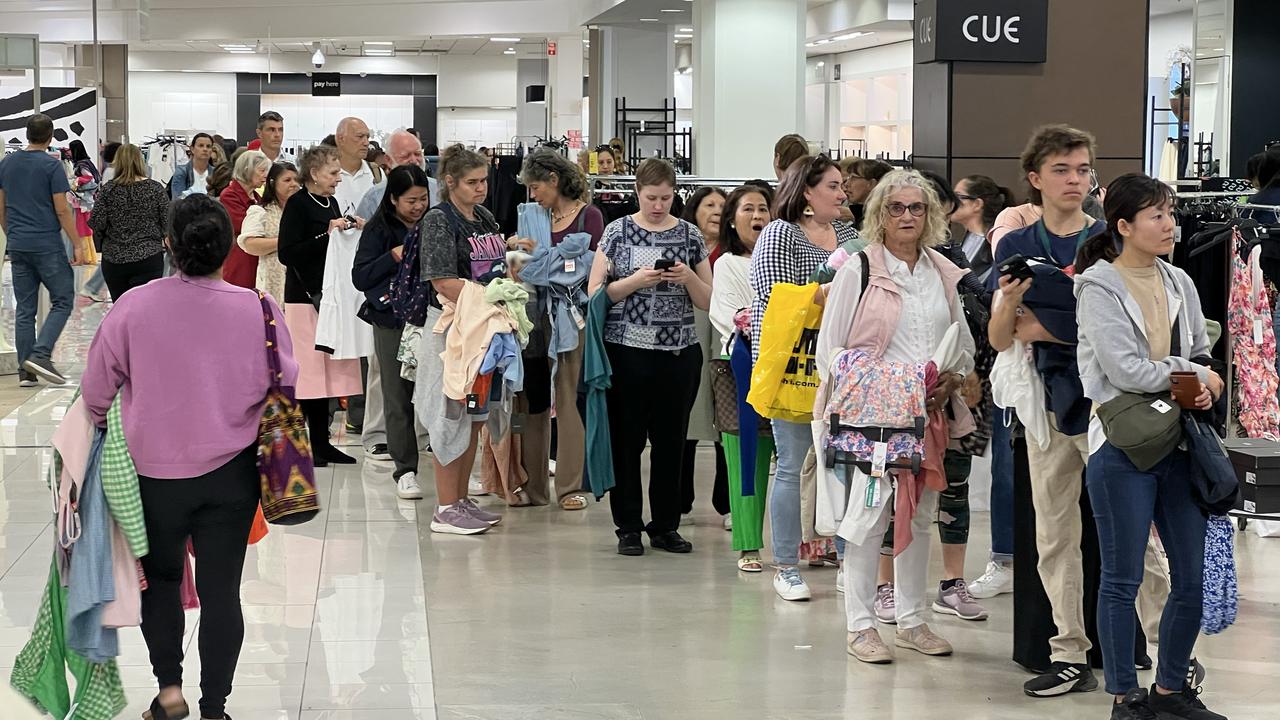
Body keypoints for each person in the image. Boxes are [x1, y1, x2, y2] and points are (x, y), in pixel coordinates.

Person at [81, 192, 298, 720]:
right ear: (228, 248)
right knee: (222, 591)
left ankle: (169, 692)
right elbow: (286, 384)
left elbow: (94, 396)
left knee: (160, 582)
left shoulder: (134, 305)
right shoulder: (259, 309)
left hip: (152, 477)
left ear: (169, 245)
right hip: (232, 474)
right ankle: (215, 707)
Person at [990, 125, 1166, 696]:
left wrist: (1045, 326)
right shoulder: (1016, 246)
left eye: (1084, 169)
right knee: (1055, 533)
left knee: (1137, 534)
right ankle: (1070, 652)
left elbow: (1130, 334)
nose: (1075, 180)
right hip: (1047, 407)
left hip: (1116, 407)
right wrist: (1020, 312)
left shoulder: (1112, 238)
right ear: (1036, 179)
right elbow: (1000, 335)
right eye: (1063, 170)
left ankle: (1166, 646)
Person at [1074, 173, 1226, 720]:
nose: (1170, 226)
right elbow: (1126, 370)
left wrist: (1206, 383)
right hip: (1120, 448)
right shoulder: (1097, 286)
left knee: (1190, 576)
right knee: (1121, 578)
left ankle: (1169, 689)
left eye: (1171, 214)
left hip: (1181, 442)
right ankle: (1123, 695)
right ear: (1124, 226)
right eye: (1158, 216)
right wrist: (1194, 375)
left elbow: (1202, 353)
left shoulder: (1179, 280)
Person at [816, 169, 975, 664]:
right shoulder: (857, 271)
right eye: (896, 208)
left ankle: (911, 620)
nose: (907, 216)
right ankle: (861, 625)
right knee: (868, 516)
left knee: (922, 516)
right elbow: (830, 352)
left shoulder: (941, 273)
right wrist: (895, 383)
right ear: (879, 214)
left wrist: (950, 378)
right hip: (875, 423)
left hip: (929, 418)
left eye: (917, 207)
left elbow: (963, 344)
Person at [587, 158, 712, 556]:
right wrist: (635, 282)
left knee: (671, 442)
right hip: (626, 352)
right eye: (651, 197)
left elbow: (709, 300)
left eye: (666, 197)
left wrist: (687, 277)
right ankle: (627, 525)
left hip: (678, 353)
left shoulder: (690, 235)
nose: (658, 205)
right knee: (627, 441)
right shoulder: (616, 232)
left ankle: (665, 525)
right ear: (637, 193)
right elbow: (595, 294)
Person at [750, 153, 857, 600]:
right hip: (795, 367)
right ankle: (787, 565)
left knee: (847, 467)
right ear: (807, 192)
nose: (842, 193)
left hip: (843, 368)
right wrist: (826, 290)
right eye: (832, 185)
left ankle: (850, 561)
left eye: (841, 186)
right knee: (792, 466)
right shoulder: (781, 233)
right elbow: (773, 296)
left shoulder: (851, 235)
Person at [416, 144, 508, 535]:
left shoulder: (484, 217)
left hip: (484, 327)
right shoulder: (439, 220)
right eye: (472, 182)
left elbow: (496, 266)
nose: (481, 188)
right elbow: (441, 279)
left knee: (475, 415)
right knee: (449, 414)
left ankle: (461, 499)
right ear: (450, 182)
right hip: (453, 328)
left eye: (484, 180)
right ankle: (445, 504)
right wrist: (488, 297)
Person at [513, 149, 603, 510]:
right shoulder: (531, 216)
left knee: (569, 398)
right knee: (532, 398)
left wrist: (540, 261)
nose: (532, 196)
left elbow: (589, 268)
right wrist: (544, 261)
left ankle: (570, 487)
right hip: (533, 314)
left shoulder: (589, 216)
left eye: (536, 187)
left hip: (572, 316)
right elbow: (518, 269)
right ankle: (532, 487)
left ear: (553, 179)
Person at [278, 144, 363, 466]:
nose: (338, 178)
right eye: (333, 172)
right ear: (314, 174)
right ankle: (305, 444)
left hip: (329, 297)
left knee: (328, 370)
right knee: (309, 372)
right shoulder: (298, 204)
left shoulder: (331, 202)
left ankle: (321, 442)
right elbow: (288, 252)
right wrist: (327, 235)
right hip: (303, 298)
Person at [352, 164, 433, 500]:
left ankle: (449, 463)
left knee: (437, 394)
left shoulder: (434, 224)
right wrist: (393, 257)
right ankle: (405, 469)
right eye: (411, 200)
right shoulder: (379, 229)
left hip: (431, 318)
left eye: (423, 199)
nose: (418, 206)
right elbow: (360, 276)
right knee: (397, 395)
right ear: (393, 199)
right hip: (391, 321)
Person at [708, 183, 774, 571]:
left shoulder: (786, 258)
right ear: (733, 219)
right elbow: (732, 314)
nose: (757, 216)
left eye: (763, 208)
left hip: (788, 366)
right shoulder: (728, 263)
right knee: (746, 454)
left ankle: (806, 543)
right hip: (740, 368)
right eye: (748, 209)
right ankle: (748, 544)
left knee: (796, 460)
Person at [0, 113, 85, 387]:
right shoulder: (51, 166)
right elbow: (61, 209)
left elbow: (0, 206)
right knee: (63, 298)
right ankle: (41, 353)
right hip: (46, 243)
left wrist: (11, 233)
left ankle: (27, 373)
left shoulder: (7, 164)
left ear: (27, 134)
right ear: (50, 137)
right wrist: (78, 242)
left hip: (18, 244)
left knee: (25, 308)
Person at [328, 116, 384, 458]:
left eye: (368, 135)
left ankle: (363, 413)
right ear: (341, 139)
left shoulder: (376, 176)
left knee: (367, 338)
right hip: (334, 265)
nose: (366, 141)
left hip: (368, 266)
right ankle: (336, 404)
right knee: (334, 335)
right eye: (360, 136)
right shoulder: (327, 171)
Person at [679, 186, 731, 522]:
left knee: (726, 418)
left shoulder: (736, 251)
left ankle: (726, 504)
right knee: (687, 417)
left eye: (722, 206)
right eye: (708, 204)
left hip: (725, 336)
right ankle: (680, 500)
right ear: (695, 210)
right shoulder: (684, 248)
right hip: (690, 333)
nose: (716, 210)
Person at [87, 144, 170, 300]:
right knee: (144, 310)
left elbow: (97, 222)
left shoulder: (108, 190)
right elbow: (168, 223)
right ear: (140, 161)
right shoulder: (156, 189)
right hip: (148, 258)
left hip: (114, 258)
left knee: (120, 308)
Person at [238, 162, 300, 304]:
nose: (294, 184)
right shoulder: (260, 211)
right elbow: (249, 244)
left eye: (297, 180)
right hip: (272, 282)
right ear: (272, 183)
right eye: (287, 180)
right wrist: (285, 242)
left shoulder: (304, 211)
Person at [219, 149, 270, 288]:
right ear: (248, 170)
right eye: (261, 171)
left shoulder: (257, 197)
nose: (265, 175)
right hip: (240, 259)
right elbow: (244, 226)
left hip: (256, 257)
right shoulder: (229, 196)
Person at [840, 158, 893, 227]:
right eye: (848, 178)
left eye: (853, 178)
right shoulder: (859, 216)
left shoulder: (882, 224)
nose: (847, 184)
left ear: (872, 184)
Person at [171, 133, 215, 199]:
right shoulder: (182, 171)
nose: (205, 149)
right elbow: (177, 200)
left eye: (208, 146)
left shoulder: (216, 172)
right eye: (201, 146)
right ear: (192, 149)